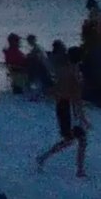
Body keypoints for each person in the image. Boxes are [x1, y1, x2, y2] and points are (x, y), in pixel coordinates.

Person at [36, 45, 90, 178]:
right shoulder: (75, 73)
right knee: (77, 139)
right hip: (69, 107)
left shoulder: (63, 70)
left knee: (72, 139)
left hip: (61, 105)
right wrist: (82, 116)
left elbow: (56, 88)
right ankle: (79, 169)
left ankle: (45, 157)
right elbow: (76, 96)